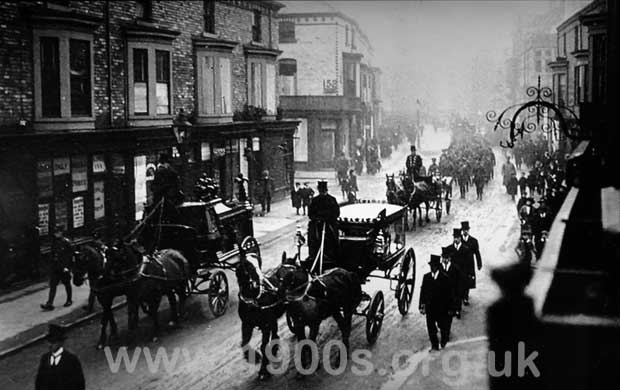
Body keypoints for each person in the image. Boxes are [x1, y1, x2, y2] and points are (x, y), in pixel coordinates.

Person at [36, 324, 85, 390]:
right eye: (49, 341)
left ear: (61, 342)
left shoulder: (71, 360)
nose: (50, 345)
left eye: (53, 342)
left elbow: (79, 384)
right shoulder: (45, 359)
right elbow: (39, 382)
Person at [419, 254, 453, 351]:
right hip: (430, 308)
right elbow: (423, 292)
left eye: (434, 266)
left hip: (441, 308)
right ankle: (434, 345)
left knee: (443, 326)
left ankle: (444, 340)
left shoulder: (445, 278)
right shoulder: (426, 277)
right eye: (431, 266)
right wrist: (422, 305)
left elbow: (449, 295)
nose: (432, 268)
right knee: (431, 328)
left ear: (437, 267)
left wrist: (450, 308)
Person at [307, 180, 340, 269]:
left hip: (329, 224)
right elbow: (310, 214)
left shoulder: (332, 200)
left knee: (332, 237)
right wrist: (317, 219)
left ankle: (333, 255)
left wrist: (327, 218)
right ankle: (312, 255)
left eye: (323, 190)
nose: (322, 192)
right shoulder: (315, 200)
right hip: (317, 224)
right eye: (321, 190)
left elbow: (336, 213)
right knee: (312, 236)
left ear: (326, 190)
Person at [41, 233, 73, 311]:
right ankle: (49, 303)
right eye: (55, 233)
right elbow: (53, 255)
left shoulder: (66, 242)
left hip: (64, 267)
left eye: (58, 233)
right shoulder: (54, 242)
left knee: (67, 284)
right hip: (56, 268)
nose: (56, 234)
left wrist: (67, 267)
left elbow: (70, 256)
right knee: (53, 285)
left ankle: (69, 300)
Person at [445, 228, 470, 318]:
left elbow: (468, 263)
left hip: (461, 276)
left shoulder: (465, 249)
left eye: (457, 238)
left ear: (460, 238)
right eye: (454, 238)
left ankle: (458, 310)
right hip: (451, 275)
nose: (455, 239)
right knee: (451, 294)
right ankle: (452, 309)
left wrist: (468, 274)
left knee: (458, 294)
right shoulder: (449, 249)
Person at [440, 246, 463, 331]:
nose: (445, 260)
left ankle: (457, 310)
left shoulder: (455, 268)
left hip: (453, 291)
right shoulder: (439, 268)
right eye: (443, 258)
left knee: (455, 301)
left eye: (447, 258)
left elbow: (459, 282)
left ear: (449, 258)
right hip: (442, 293)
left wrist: (459, 291)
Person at [460, 221, 482, 305]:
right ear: (462, 231)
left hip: (469, 264)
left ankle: (465, 297)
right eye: (464, 230)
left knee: (468, 280)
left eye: (467, 230)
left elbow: (477, 253)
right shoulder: (459, 240)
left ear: (468, 231)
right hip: (460, 264)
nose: (465, 231)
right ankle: (462, 294)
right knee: (460, 280)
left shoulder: (473, 241)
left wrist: (479, 264)